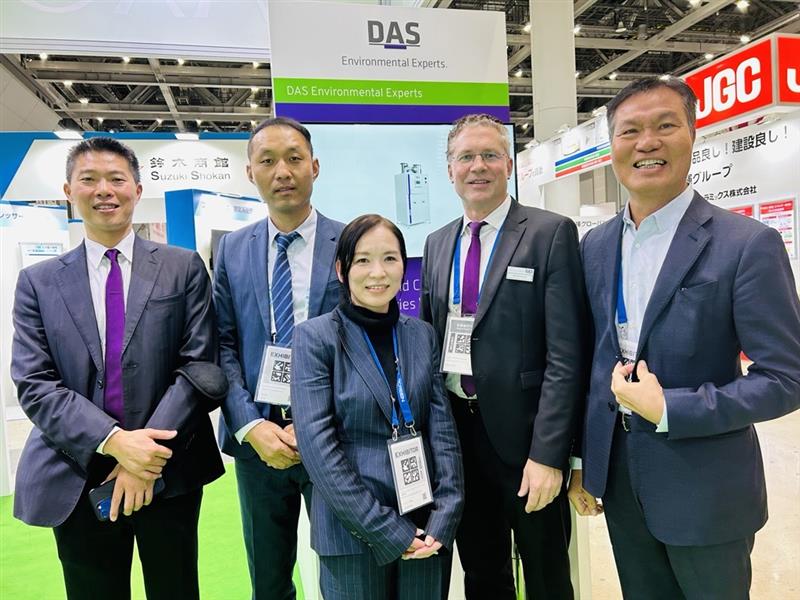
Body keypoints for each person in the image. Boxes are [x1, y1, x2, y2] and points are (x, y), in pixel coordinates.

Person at [568, 76, 800, 599]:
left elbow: (786, 378)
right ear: (612, 148)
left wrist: (670, 407)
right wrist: (584, 460)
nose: (646, 142)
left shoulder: (746, 245)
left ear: (693, 134)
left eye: (665, 125)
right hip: (622, 485)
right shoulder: (595, 247)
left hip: (707, 491)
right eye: (629, 130)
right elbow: (593, 358)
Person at [10, 136, 226, 600]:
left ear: (137, 188)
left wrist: (143, 459)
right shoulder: (39, 283)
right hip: (77, 469)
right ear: (69, 192)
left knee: (176, 589)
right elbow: (34, 382)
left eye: (116, 179)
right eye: (89, 179)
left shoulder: (181, 267)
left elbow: (201, 368)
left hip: (169, 468)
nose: (104, 190)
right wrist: (114, 442)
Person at [420, 114, 588, 599]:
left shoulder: (548, 233)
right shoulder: (437, 243)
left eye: (490, 155)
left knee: (546, 573)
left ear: (509, 165)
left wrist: (549, 454)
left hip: (527, 441)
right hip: (460, 438)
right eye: (465, 157)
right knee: (481, 570)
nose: (478, 166)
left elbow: (565, 355)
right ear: (450, 169)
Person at [291, 214, 464, 600]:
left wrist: (446, 512)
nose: (378, 273)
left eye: (390, 258)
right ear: (342, 269)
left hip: (425, 523)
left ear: (405, 264)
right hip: (352, 533)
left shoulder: (420, 334)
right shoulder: (315, 339)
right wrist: (387, 529)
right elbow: (320, 452)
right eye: (363, 260)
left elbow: (442, 431)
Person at [214, 117, 344, 599]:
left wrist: (315, 421)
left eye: (293, 158)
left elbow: (362, 342)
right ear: (251, 173)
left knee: (346, 570)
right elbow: (222, 344)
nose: (282, 171)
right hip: (259, 441)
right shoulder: (231, 249)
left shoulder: (348, 242)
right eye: (267, 161)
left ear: (314, 166)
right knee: (268, 578)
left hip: (335, 437)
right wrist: (250, 425)